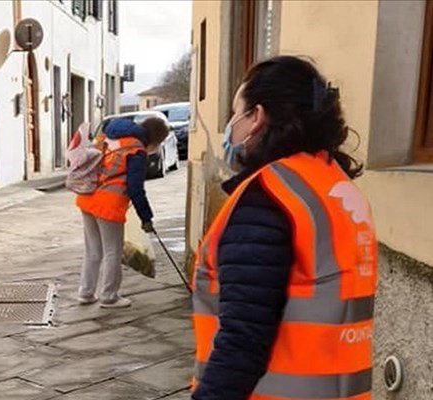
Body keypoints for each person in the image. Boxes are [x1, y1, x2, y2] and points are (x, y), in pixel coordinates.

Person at [191, 56, 377, 400]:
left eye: (236, 113)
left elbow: (242, 341)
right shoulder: (334, 186)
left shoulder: (268, 199)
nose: (231, 124)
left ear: (257, 117)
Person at [75, 117, 170, 308]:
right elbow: (135, 188)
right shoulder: (136, 150)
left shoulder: (107, 136)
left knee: (93, 251)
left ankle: (86, 293)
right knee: (112, 251)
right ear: (154, 139)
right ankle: (109, 296)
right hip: (109, 204)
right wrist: (146, 218)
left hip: (87, 197)